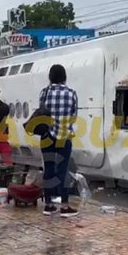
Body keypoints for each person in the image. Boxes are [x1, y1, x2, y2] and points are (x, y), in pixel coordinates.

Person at [39, 64, 78, 217]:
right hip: (64, 137)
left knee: (48, 169)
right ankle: (65, 206)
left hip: (47, 136)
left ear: (50, 77)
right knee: (63, 170)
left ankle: (48, 205)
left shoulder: (45, 92)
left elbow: (41, 112)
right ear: (64, 76)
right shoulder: (71, 93)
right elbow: (74, 115)